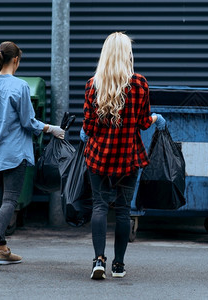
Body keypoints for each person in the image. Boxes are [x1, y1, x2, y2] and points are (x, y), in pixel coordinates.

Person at [0, 41, 65, 271]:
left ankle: (2, 251)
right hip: (14, 154)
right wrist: (52, 128)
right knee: (10, 200)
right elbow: (28, 122)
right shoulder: (20, 87)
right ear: (16, 60)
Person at [81, 32, 165, 280]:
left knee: (99, 205)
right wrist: (156, 118)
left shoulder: (92, 84)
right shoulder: (140, 83)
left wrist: (86, 133)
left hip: (99, 156)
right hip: (129, 156)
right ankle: (118, 265)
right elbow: (142, 123)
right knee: (123, 210)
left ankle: (98, 261)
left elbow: (89, 126)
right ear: (127, 54)